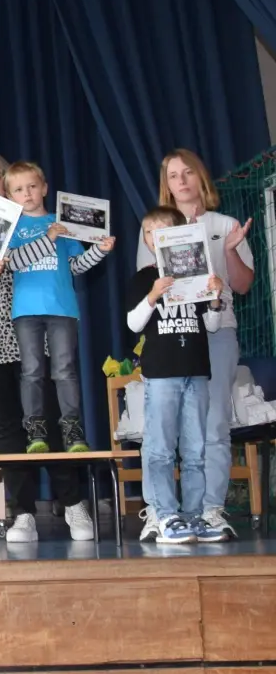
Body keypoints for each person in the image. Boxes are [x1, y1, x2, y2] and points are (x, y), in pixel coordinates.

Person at [0, 155, 92, 543]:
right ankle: (23, 512)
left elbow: (71, 263)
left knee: (51, 411)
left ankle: (73, 502)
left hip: (38, 326)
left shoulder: (35, 222)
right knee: (10, 427)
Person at [134, 149, 254, 540]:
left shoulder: (225, 224)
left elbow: (243, 285)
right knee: (162, 432)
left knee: (213, 425)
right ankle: (160, 511)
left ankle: (210, 510)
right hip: (170, 337)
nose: (181, 181)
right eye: (172, 175)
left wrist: (230, 250)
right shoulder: (154, 227)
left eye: (188, 173)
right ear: (165, 185)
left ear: (201, 177)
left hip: (215, 330)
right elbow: (146, 291)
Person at [2, 160, 113, 454]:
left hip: (62, 308)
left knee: (64, 369)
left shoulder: (62, 222)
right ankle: (35, 427)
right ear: (9, 196)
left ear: (45, 188)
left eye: (32, 186)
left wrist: (99, 251)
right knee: (32, 370)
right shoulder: (12, 228)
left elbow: (76, 266)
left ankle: (72, 427)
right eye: (18, 189)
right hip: (26, 310)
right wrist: (48, 237)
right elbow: (13, 262)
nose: (26, 193)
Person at [130, 205, 225, 544]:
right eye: (148, 232)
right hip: (161, 375)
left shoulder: (197, 272)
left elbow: (211, 326)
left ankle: (194, 515)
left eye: (161, 230)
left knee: (195, 448)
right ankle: (165, 514)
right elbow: (133, 324)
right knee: (159, 448)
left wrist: (215, 299)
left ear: (178, 234)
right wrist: (154, 295)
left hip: (195, 372)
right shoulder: (143, 277)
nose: (154, 237)